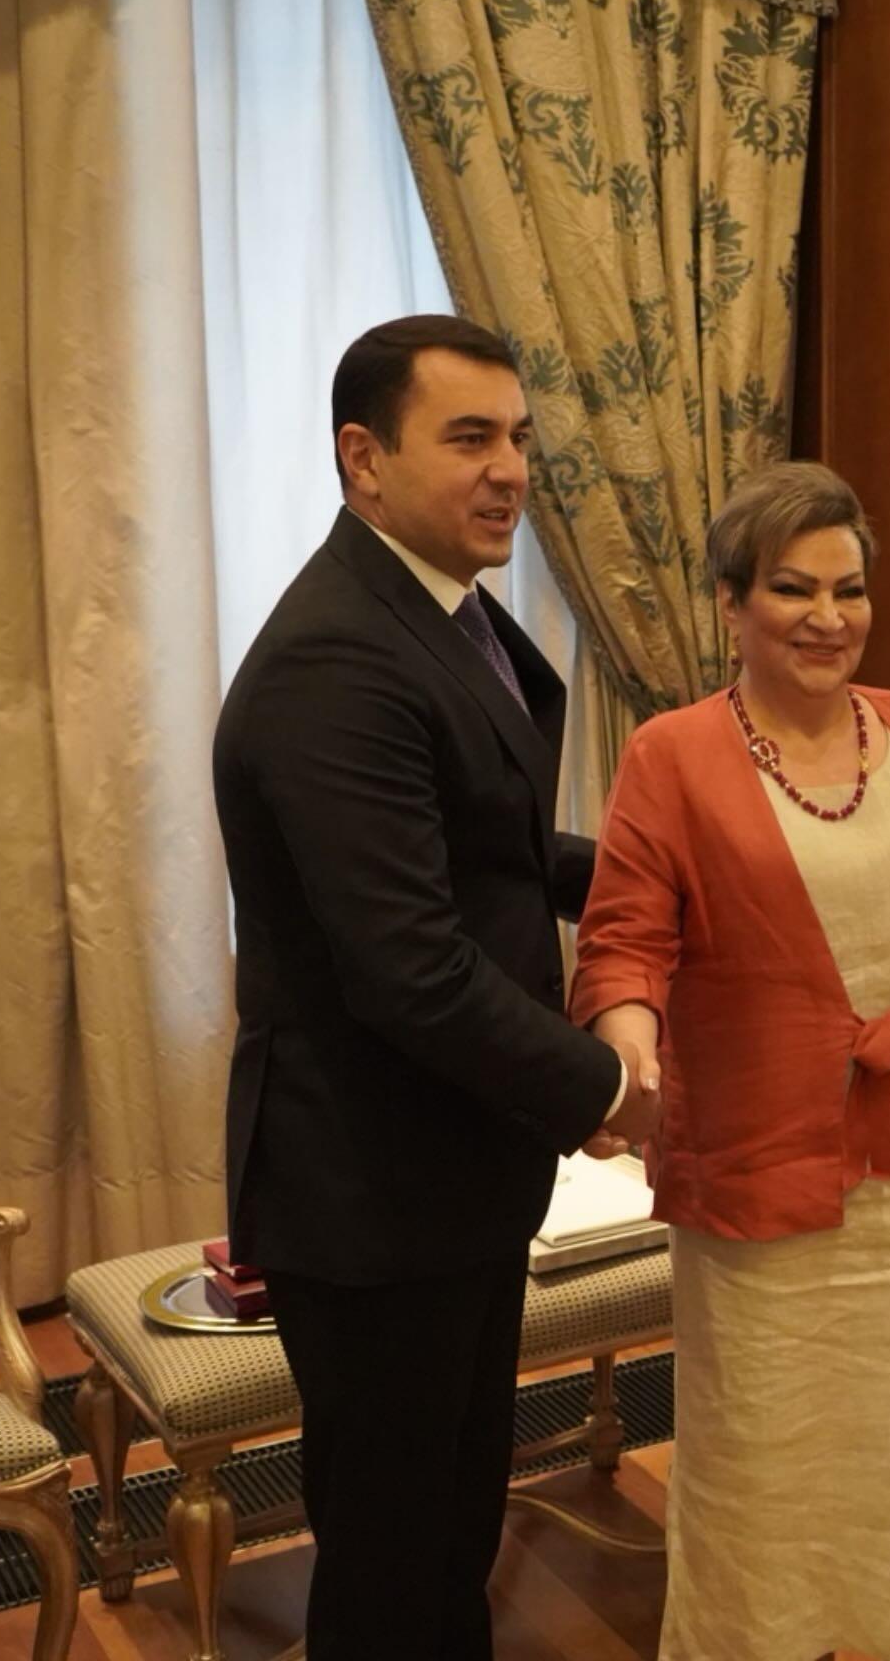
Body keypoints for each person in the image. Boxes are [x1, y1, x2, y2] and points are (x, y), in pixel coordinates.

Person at [212, 314, 660, 1661]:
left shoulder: (437, 614)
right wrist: (610, 1086)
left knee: (454, 1518)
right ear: (364, 458)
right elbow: (411, 966)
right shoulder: (337, 659)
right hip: (368, 1188)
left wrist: (667, 878)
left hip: (447, 1170)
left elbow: (493, 852)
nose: (510, 469)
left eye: (518, 437)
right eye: (469, 438)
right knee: (395, 1554)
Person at [570, 460, 890, 1661]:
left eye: (849, 589)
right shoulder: (672, 755)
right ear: (732, 602)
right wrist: (629, 1054)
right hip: (760, 1173)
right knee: (767, 1459)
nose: (829, 617)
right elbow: (626, 939)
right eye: (793, 588)